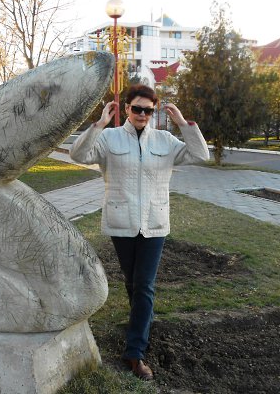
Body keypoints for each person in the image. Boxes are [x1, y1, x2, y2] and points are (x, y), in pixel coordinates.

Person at [70, 84, 209, 381]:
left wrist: (183, 124)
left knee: (144, 285)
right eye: (137, 108)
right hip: (122, 222)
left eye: (148, 110)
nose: (142, 114)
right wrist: (99, 124)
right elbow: (78, 155)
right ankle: (141, 323)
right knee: (133, 283)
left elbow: (200, 155)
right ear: (127, 109)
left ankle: (135, 352)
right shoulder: (109, 138)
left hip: (154, 224)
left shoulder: (165, 140)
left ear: (154, 111)